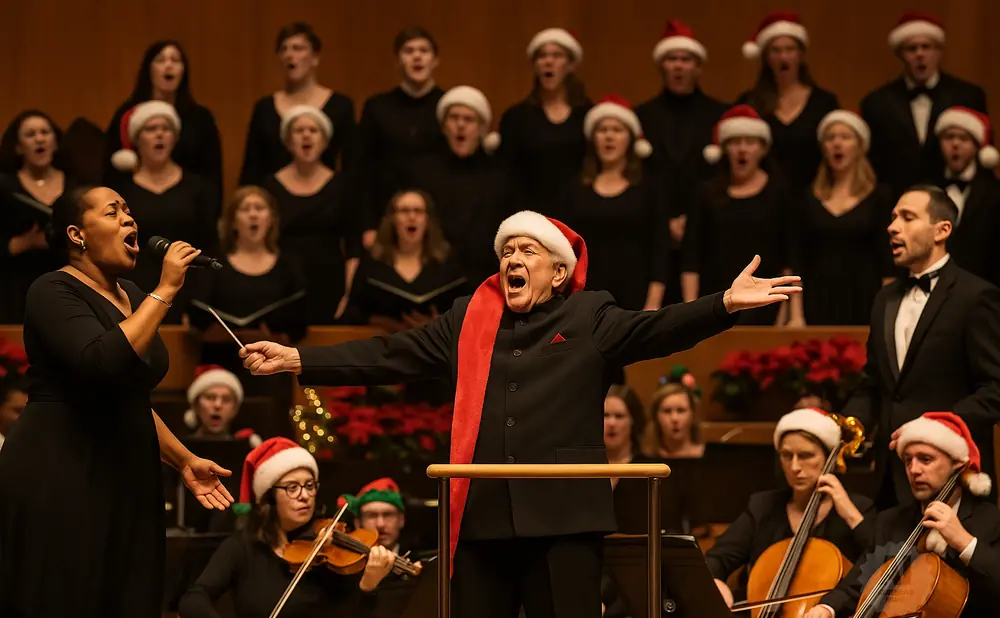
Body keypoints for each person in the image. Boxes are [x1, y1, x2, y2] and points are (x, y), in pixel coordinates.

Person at [239, 209, 801, 618]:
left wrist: (724, 304)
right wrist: (297, 358)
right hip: (484, 516)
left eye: (527, 251)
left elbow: (659, 328)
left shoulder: (590, 315)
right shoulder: (467, 319)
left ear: (558, 272)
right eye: (506, 251)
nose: (512, 259)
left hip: (565, 518)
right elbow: (388, 354)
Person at [0, 185, 234, 618]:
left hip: (125, 474)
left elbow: (130, 398)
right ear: (77, 234)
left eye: (129, 211)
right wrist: (165, 289)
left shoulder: (132, 294)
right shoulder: (52, 290)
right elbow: (102, 362)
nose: (130, 219)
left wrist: (183, 460)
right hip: (62, 471)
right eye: (113, 212)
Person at [842, 185, 1000, 509]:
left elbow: (995, 389)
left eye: (907, 217)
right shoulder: (884, 298)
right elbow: (874, 383)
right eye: (893, 218)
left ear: (941, 230)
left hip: (953, 481)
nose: (892, 226)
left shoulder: (976, 296)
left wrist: (937, 426)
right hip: (889, 480)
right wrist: (844, 425)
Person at [805, 412, 1000, 618]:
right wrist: (826, 608)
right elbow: (859, 580)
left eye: (926, 459)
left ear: (957, 465)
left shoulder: (989, 520)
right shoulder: (890, 521)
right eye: (908, 461)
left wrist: (964, 542)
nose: (914, 470)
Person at [179, 437, 394, 618]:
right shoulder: (242, 547)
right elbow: (193, 599)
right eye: (292, 487)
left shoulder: (329, 552)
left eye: (309, 485)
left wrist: (367, 587)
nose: (304, 495)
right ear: (270, 498)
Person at [708, 408, 875, 608]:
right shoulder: (764, 506)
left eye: (805, 455)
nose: (795, 467)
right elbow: (717, 558)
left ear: (829, 458)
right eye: (787, 455)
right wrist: (715, 582)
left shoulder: (858, 508)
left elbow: (879, 562)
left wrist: (851, 515)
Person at [635, 19, 728, 306]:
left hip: (708, 236)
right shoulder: (642, 116)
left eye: (686, 59)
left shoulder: (720, 115)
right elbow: (640, 177)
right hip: (650, 238)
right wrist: (665, 221)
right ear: (661, 66)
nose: (678, 66)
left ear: (698, 66)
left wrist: (692, 219)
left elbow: (722, 176)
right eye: (671, 59)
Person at [683, 105, 798, 326]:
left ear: (763, 149)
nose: (742, 149)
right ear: (724, 148)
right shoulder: (706, 194)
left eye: (750, 142)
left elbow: (790, 255)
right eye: (735, 142)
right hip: (715, 301)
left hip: (767, 303)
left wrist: (790, 312)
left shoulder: (780, 192)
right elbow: (691, 256)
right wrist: (692, 309)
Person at [556, 94, 667, 311]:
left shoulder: (648, 189)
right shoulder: (575, 189)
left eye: (617, 130)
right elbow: (564, 250)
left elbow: (660, 249)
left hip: (637, 300)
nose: (609, 137)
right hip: (584, 301)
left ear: (631, 139)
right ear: (593, 138)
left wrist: (653, 304)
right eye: (602, 130)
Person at [861, 12, 989, 198]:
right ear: (900, 54)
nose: (920, 54)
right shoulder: (877, 102)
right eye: (912, 49)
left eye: (926, 47)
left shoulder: (967, 95)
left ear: (939, 51)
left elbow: (983, 155)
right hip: (895, 202)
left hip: (952, 201)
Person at [795, 109, 895, 326]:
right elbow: (798, 258)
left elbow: (888, 261)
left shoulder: (879, 196)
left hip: (864, 298)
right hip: (817, 297)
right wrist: (795, 315)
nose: (837, 144)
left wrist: (887, 314)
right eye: (830, 138)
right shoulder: (809, 196)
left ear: (860, 147)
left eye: (845, 137)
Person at [239, 23, 356, 186]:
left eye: (298, 48)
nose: (289, 54)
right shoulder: (264, 108)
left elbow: (352, 165)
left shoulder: (340, 106)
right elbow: (252, 169)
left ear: (315, 58)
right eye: (283, 49)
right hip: (273, 201)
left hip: (326, 200)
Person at [357, 27, 445, 241]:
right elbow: (361, 170)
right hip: (386, 220)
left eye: (424, 51)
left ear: (435, 60)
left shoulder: (449, 107)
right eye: (409, 51)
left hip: (439, 221)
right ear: (397, 61)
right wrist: (367, 225)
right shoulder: (376, 107)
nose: (417, 56)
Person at [102, 40, 223, 198]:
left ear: (183, 71)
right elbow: (110, 169)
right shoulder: (127, 114)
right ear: (149, 69)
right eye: (160, 60)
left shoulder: (200, 118)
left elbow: (212, 173)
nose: (169, 65)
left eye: (175, 60)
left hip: (189, 202)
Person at [736, 11, 840, 194]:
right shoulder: (750, 102)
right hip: (761, 201)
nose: (783, 57)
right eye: (775, 51)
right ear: (766, 58)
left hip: (813, 200)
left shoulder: (824, 102)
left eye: (790, 49)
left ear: (801, 55)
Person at [498, 28, 592, 212]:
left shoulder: (587, 115)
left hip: (580, 214)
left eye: (557, 55)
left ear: (571, 64)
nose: (548, 61)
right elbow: (506, 176)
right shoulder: (516, 118)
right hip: (531, 216)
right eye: (542, 56)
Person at [0, 109, 78, 323]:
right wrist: (24, 243)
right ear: (17, 147)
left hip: (69, 283)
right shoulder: (4, 188)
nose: (39, 139)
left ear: (55, 142)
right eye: (30, 134)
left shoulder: (76, 186)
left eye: (45, 132)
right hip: (17, 287)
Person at [932, 106, 1000, 286]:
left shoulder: (994, 192)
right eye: (948, 137)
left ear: (977, 147)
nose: (955, 144)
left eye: (963, 138)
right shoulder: (929, 189)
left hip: (984, 288)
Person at [640, 370, 704, 459]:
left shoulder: (713, 459)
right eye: (667, 411)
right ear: (656, 416)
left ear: (692, 414)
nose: (674, 418)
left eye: (681, 411)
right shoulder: (642, 462)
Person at [339, 478, 409, 556]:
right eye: (371, 516)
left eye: (388, 515)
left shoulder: (420, 559)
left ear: (401, 519)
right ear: (357, 523)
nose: (380, 524)